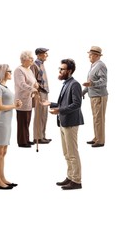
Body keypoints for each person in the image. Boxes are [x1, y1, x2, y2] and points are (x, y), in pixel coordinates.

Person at [44, 59, 84, 190]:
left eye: (62, 69)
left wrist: (59, 110)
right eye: (59, 69)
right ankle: (70, 177)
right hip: (63, 122)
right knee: (66, 153)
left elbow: (77, 104)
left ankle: (76, 181)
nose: (60, 71)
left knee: (72, 153)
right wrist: (51, 104)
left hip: (71, 123)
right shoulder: (66, 83)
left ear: (69, 71)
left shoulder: (75, 84)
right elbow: (65, 103)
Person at [0, 64, 22, 189]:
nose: (10, 73)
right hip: (1, 123)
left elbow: (8, 103)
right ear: (3, 72)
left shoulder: (6, 87)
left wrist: (16, 104)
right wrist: (14, 106)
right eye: (9, 71)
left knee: (3, 152)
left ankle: (2, 178)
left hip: (7, 123)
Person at [83, 46, 108, 148]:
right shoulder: (93, 65)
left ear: (97, 55)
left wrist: (92, 84)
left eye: (91, 54)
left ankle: (100, 141)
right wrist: (83, 92)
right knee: (96, 118)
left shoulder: (100, 65)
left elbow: (103, 81)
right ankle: (96, 137)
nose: (89, 56)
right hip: (93, 96)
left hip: (99, 96)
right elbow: (90, 82)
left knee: (99, 119)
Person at [14, 50, 38, 148]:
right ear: (24, 59)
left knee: (27, 120)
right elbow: (22, 84)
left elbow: (34, 81)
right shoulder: (19, 70)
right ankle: (22, 142)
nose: (32, 59)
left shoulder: (29, 69)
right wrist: (32, 88)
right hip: (21, 99)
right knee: (22, 120)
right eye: (30, 57)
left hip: (29, 98)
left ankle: (26, 139)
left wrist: (36, 84)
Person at [31, 47, 52, 144]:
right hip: (39, 93)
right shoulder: (34, 65)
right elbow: (32, 81)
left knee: (44, 115)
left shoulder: (41, 64)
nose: (46, 55)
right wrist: (36, 93)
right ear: (39, 55)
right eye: (45, 53)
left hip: (44, 93)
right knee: (39, 115)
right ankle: (37, 137)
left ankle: (42, 136)